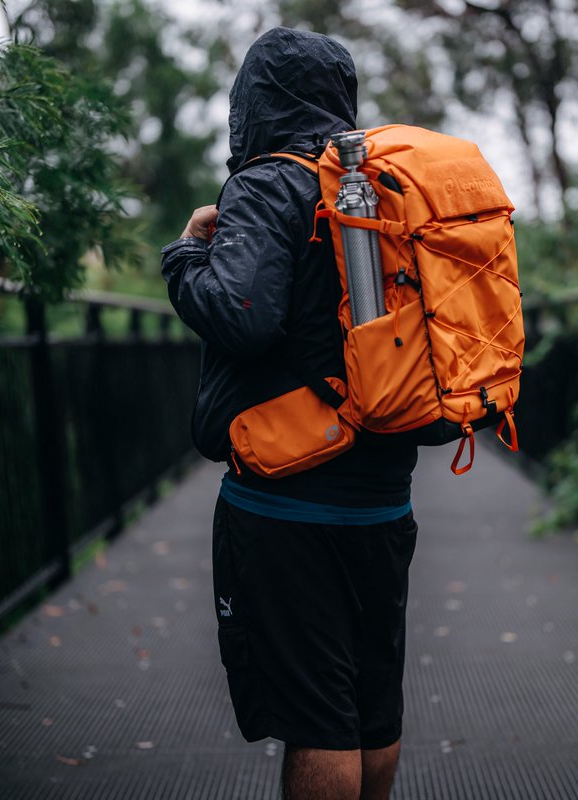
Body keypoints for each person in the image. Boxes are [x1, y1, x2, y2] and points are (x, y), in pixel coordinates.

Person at [160, 26, 419, 800]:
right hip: (385, 492)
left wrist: (183, 256)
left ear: (253, 102)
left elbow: (240, 314)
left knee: (317, 717)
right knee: (373, 706)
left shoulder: (269, 181)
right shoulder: (376, 184)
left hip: (287, 497)